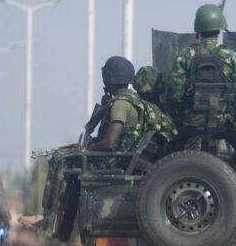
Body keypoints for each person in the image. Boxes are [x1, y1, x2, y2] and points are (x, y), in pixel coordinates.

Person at [20, 56, 176, 234]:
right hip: (121, 158)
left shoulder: (120, 104)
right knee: (70, 167)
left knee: (60, 158)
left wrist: (87, 149)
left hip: (113, 160)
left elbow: (109, 142)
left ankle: (49, 218)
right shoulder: (134, 101)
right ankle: (61, 226)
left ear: (107, 79)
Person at [166, 2, 236, 161]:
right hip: (223, 121)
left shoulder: (186, 55)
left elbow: (174, 94)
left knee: (170, 150)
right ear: (219, 29)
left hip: (191, 123)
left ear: (198, 29)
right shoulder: (231, 56)